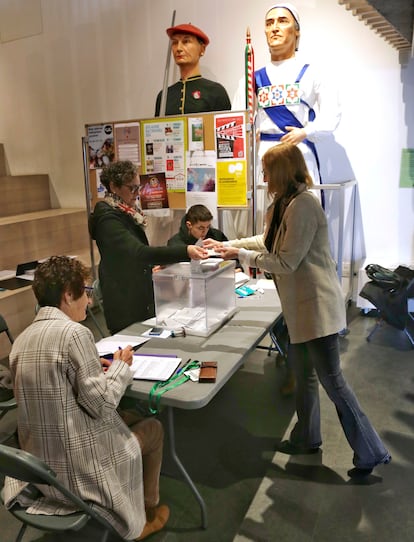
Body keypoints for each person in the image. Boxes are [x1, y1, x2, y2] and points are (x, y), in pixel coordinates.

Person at [205, 143, 391, 478]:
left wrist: (238, 256)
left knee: (333, 382)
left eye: (266, 171)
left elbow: (286, 261)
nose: (263, 178)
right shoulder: (283, 204)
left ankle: (371, 451)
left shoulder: (303, 206)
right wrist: (229, 245)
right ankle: (307, 438)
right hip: (301, 310)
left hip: (316, 311)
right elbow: (267, 242)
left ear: (281, 172)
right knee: (305, 377)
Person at [3, 255, 169, 540]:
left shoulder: (21, 341)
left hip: (38, 465)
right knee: (153, 428)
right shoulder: (75, 334)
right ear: (69, 294)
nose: (89, 302)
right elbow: (102, 406)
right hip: (75, 470)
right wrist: (121, 366)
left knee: (129, 418)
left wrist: (95, 369)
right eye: (86, 293)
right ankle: (144, 517)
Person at [89, 160, 208, 334]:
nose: (137, 194)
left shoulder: (125, 211)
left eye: (139, 188)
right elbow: (138, 252)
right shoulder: (107, 219)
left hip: (138, 293)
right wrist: (185, 251)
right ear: (114, 186)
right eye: (132, 188)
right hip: (124, 299)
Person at [155, 23, 231, 116]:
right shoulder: (164, 96)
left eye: (186, 41)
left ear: (202, 49)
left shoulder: (216, 91)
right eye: (175, 42)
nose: (178, 48)